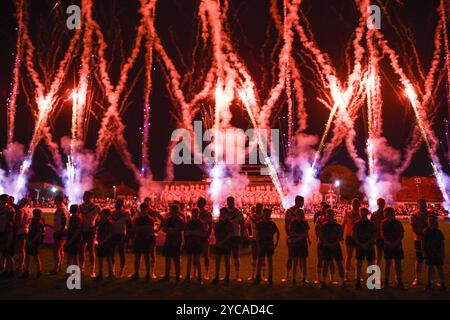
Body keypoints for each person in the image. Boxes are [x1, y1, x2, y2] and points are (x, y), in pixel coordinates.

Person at [129, 202, 156, 281]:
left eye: (145, 208)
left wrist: (139, 228)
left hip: (145, 239)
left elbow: (148, 228)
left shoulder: (150, 219)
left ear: (147, 209)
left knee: (147, 257)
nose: (143, 210)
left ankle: (147, 274)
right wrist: (142, 228)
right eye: (142, 208)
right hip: (139, 239)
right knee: (137, 257)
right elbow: (134, 228)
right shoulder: (138, 219)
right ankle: (136, 273)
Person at [319, 209, 345, 288]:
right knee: (325, 264)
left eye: (331, 214)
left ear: (333, 215)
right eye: (329, 214)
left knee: (339, 264)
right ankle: (323, 281)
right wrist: (328, 244)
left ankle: (342, 281)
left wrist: (333, 243)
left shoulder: (338, 226)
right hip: (327, 247)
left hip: (336, 247)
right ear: (326, 215)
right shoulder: (323, 225)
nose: (330, 215)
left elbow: (340, 237)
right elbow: (321, 237)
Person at [254, 208, 279, 285]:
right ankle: (258, 277)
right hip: (262, 245)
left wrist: (276, 243)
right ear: (263, 214)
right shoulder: (260, 224)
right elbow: (257, 235)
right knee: (260, 261)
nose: (267, 215)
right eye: (266, 214)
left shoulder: (272, 224)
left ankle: (270, 278)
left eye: (268, 214)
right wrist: (258, 244)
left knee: (269, 261)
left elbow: (278, 233)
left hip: (269, 245)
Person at [160, 204, 185, 282]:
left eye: (171, 210)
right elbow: (164, 229)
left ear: (176, 211)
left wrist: (170, 230)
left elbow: (179, 229)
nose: (170, 211)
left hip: (176, 240)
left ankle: (177, 275)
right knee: (168, 258)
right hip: (169, 240)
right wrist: (171, 230)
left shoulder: (180, 219)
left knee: (176, 259)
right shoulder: (168, 219)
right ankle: (167, 275)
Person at [352, 208, 376, 289]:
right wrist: (361, 244)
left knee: (370, 264)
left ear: (367, 213)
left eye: (364, 212)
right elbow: (354, 235)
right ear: (360, 213)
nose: (363, 214)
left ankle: (371, 282)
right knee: (359, 264)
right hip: (361, 246)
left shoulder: (371, 223)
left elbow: (374, 235)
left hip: (368, 246)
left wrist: (366, 243)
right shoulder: (357, 223)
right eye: (362, 212)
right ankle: (357, 281)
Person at [381, 207, 405, 289]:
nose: (385, 214)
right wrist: (389, 243)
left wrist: (395, 243)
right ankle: (386, 282)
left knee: (398, 264)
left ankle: (399, 281)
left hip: (397, 246)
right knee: (388, 264)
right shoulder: (384, 223)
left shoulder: (398, 223)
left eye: (386, 213)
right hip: (389, 246)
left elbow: (401, 234)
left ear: (391, 213)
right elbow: (383, 234)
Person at [282, 195, 304, 282]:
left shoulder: (301, 212)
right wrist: (288, 236)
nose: (303, 203)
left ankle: (302, 276)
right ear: (298, 202)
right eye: (302, 201)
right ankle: (287, 275)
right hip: (292, 237)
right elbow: (286, 225)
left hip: (301, 237)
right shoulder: (289, 211)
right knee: (290, 256)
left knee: (301, 257)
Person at [422, 214, 446, 291]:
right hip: (429, 253)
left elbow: (442, 244)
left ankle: (443, 283)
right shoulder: (425, 231)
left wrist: (442, 253)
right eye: (430, 220)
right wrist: (424, 253)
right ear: (427, 222)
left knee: (440, 268)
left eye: (433, 220)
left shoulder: (439, 232)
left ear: (435, 221)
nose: (431, 222)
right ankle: (428, 283)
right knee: (430, 268)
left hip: (438, 253)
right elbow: (423, 244)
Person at [79, 191, 100, 278]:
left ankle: (92, 270)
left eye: (86, 195)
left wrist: (95, 227)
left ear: (91, 197)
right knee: (81, 250)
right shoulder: (80, 207)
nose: (84, 197)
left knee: (91, 251)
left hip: (90, 231)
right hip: (81, 231)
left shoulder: (96, 207)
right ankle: (81, 269)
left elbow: (102, 218)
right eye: (84, 195)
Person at [224, 196, 245, 282]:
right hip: (226, 237)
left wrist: (242, 236)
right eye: (229, 201)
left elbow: (242, 225)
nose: (230, 203)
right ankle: (227, 275)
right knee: (227, 256)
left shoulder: (238, 212)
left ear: (234, 202)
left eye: (232, 201)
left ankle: (237, 275)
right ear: (227, 202)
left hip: (235, 236)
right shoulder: (224, 212)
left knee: (236, 255)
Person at [288, 208, 310, 286]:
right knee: (295, 262)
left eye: (302, 214)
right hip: (296, 245)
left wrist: (299, 237)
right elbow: (291, 233)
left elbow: (306, 234)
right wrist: (301, 236)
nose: (301, 215)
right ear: (296, 215)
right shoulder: (293, 223)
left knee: (304, 262)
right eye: (299, 214)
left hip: (302, 244)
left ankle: (304, 278)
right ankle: (294, 279)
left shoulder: (305, 223)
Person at [410, 198, 429, 286]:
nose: (422, 205)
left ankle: (430, 280)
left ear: (425, 204)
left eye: (423, 203)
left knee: (430, 260)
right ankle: (417, 278)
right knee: (419, 259)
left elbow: (435, 226)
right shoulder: (413, 214)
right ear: (417, 205)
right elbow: (413, 228)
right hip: (418, 239)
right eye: (420, 203)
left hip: (430, 240)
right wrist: (422, 235)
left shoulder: (430, 214)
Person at [21, 209, 45, 279]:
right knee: (29, 256)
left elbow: (38, 233)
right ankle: (27, 270)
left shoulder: (38, 222)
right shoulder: (34, 221)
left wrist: (31, 241)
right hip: (31, 240)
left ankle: (39, 271)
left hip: (34, 241)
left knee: (35, 256)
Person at [110, 199, 131, 277]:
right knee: (111, 252)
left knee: (121, 252)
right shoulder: (112, 212)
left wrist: (128, 236)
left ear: (122, 205)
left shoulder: (126, 213)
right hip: (113, 234)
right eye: (116, 203)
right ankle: (112, 270)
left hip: (122, 234)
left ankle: (121, 270)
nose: (117, 205)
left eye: (119, 203)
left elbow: (129, 225)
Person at [184, 208, 205, 283]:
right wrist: (195, 232)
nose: (195, 215)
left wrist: (192, 232)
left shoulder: (200, 223)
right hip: (190, 243)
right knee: (189, 260)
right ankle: (188, 276)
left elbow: (202, 234)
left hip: (197, 243)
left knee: (197, 260)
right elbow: (186, 233)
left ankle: (199, 277)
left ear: (198, 214)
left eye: (196, 213)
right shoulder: (189, 222)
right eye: (194, 213)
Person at [314, 202, 334, 284]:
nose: (321, 210)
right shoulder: (320, 218)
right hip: (325, 241)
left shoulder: (320, 218)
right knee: (326, 260)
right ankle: (328, 279)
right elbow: (316, 228)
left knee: (324, 260)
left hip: (323, 241)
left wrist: (317, 237)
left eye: (322, 209)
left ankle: (321, 278)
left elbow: (316, 229)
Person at [213, 208, 233, 286]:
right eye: (221, 213)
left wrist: (222, 241)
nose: (222, 215)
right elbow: (215, 232)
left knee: (226, 261)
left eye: (224, 213)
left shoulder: (229, 224)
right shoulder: (218, 223)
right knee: (217, 261)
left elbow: (230, 234)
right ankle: (217, 276)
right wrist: (218, 240)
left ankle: (227, 277)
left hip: (226, 244)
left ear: (226, 214)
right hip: (219, 243)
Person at [49, 194, 68, 275]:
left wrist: (60, 230)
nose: (54, 201)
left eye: (55, 199)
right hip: (60, 230)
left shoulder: (61, 208)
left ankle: (56, 268)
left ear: (59, 200)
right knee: (60, 250)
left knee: (56, 250)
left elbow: (64, 220)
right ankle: (59, 267)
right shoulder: (61, 208)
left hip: (60, 231)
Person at [342, 198, 361, 280]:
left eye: (356, 204)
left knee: (358, 257)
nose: (354, 205)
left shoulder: (361, 214)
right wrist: (340, 235)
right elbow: (343, 225)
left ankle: (357, 275)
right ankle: (346, 274)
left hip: (359, 237)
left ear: (358, 205)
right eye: (353, 204)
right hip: (349, 236)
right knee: (349, 256)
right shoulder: (347, 213)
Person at [94, 209, 113, 281]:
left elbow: (110, 234)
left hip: (106, 243)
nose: (101, 215)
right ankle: (100, 273)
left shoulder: (109, 223)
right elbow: (95, 228)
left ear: (106, 215)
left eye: (102, 214)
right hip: (100, 241)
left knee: (108, 258)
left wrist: (104, 241)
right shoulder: (100, 222)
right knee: (100, 258)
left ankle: (110, 273)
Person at [247, 203, 264, 281]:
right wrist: (248, 236)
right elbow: (245, 226)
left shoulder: (265, 216)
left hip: (262, 240)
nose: (259, 209)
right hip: (254, 239)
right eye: (258, 207)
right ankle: (253, 274)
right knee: (254, 257)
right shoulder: (251, 216)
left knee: (262, 258)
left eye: (260, 207)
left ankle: (262, 275)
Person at [197, 197, 212, 280]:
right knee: (196, 255)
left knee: (206, 255)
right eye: (198, 202)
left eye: (199, 202)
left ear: (203, 204)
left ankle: (206, 272)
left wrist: (207, 235)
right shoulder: (195, 212)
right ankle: (196, 272)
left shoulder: (207, 213)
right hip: (196, 236)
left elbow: (210, 226)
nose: (198, 204)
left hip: (204, 236)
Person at [15, 198, 31, 273]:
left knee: (20, 249)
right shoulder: (29, 210)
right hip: (26, 230)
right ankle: (21, 264)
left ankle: (20, 266)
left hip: (20, 231)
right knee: (22, 249)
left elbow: (19, 222)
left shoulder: (21, 210)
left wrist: (12, 222)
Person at [370, 198, 386, 267]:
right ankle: (377, 276)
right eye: (380, 203)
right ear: (378, 204)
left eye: (382, 203)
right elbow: (371, 227)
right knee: (379, 258)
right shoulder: (374, 214)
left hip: (387, 238)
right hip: (378, 238)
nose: (381, 204)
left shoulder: (387, 213)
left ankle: (386, 277)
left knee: (388, 259)